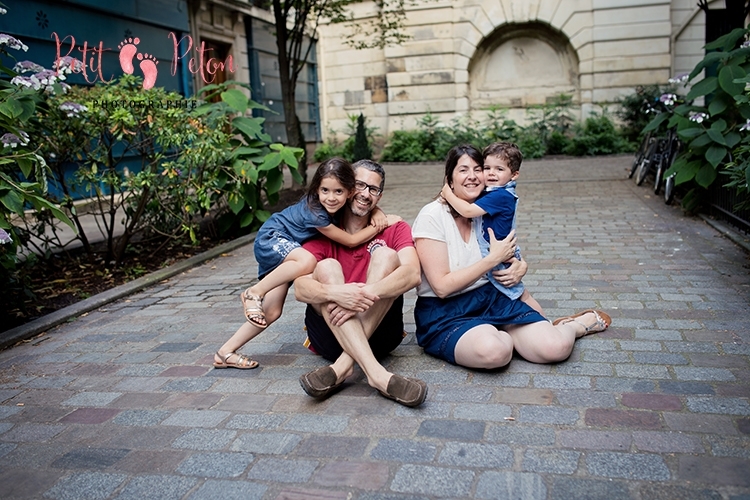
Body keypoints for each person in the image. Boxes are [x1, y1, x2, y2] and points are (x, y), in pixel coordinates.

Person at [412, 144, 611, 369]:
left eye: (478, 169)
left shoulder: (483, 209)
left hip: (492, 297)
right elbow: (441, 287)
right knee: (494, 352)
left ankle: (572, 326)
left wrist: (519, 265)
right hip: (447, 310)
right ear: (449, 177)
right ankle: (499, 336)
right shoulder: (433, 215)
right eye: (463, 170)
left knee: (554, 347)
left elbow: (507, 250)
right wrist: (493, 259)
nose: (474, 176)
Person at [214, 157, 397, 370]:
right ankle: (253, 292)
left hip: (288, 250)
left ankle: (225, 352)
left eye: (338, 192)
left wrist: (377, 211)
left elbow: (362, 205)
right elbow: (351, 240)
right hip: (274, 238)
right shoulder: (316, 212)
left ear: (347, 191)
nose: (331, 197)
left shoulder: (337, 203)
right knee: (307, 260)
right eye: (325, 191)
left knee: (272, 311)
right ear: (317, 189)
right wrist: (380, 226)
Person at [293, 159, 428, 407]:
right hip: (329, 336)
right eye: (359, 185)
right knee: (326, 268)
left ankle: (343, 366)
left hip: (381, 334)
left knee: (387, 256)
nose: (366, 194)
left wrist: (361, 295)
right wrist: (337, 293)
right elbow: (300, 289)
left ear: (380, 196)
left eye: (373, 189)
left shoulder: (394, 227)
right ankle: (377, 375)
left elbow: (412, 274)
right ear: (345, 187)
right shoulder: (322, 230)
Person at [440, 141, 542, 313]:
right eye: (487, 168)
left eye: (499, 169)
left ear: (514, 174)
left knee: (517, 293)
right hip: (497, 249)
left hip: (497, 250)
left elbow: (467, 210)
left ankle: (544, 322)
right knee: (513, 292)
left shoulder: (500, 195)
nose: (492, 173)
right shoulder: (491, 191)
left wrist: (447, 192)